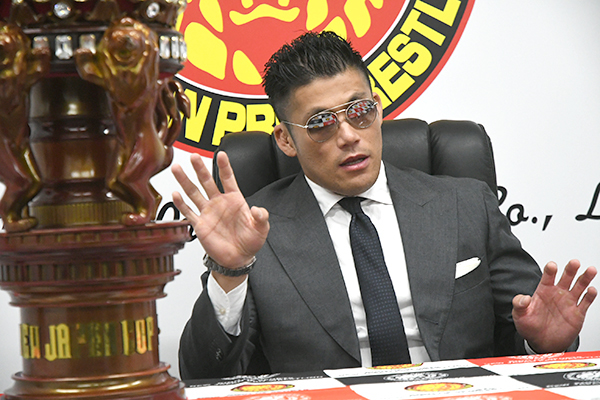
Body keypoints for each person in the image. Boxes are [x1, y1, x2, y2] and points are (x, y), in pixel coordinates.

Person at [171, 31, 597, 380]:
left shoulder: (465, 204)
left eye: (359, 111)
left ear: (376, 110)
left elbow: (533, 329)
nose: (349, 135)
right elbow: (203, 374)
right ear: (285, 139)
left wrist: (545, 342)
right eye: (321, 123)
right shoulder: (255, 230)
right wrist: (229, 274)